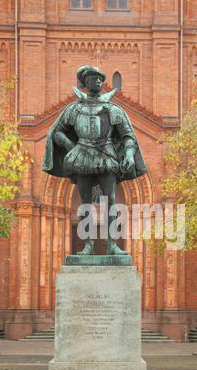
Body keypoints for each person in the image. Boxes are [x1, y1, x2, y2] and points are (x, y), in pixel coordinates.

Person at [42, 65, 148, 255]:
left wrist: (130, 154)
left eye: (100, 78)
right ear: (85, 83)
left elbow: (128, 136)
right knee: (85, 202)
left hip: (106, 156)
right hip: (82, 157)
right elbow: (57, 131)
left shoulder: (112, 109)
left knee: (111, 201)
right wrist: (69, 146)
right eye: (93, 78)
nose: (98, 81)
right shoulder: (74, 109)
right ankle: (88, 246)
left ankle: (112, 245)